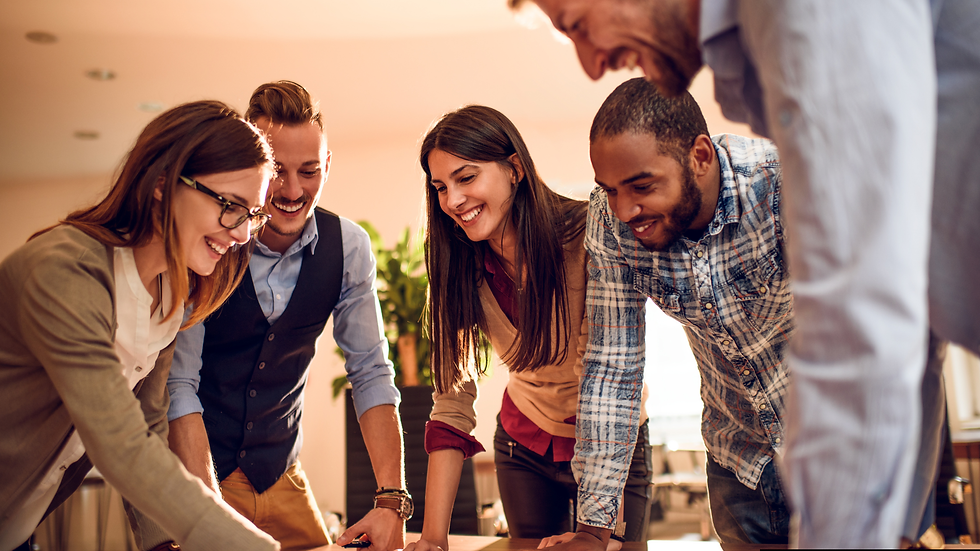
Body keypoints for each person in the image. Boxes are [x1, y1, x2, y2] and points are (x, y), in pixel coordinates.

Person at [510, 0, 978, 547]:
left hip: (840, 448)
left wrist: (885, 518)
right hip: (740, 467)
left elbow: (871, 321)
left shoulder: (779, 177)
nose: (590, 64)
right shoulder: (615, 225)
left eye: (575, 25)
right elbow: (613, 370)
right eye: (613, 191)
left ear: (701, 158)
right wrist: (593, 526)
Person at [0, 100, 280, 551]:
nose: (243, 234)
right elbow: (121, 445)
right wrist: (250, 546)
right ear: (164, 184)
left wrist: (162, 545)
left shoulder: (171, 296)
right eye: (232, 205)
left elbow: (149, 425)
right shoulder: (63, 273)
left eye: (253, 214)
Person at [164, 81, 406, 551]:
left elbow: (372, 372)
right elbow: (179, 386)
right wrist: (208, 516)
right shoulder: (210, 244)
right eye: (276, 170)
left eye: (310, 170)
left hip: (283, 475)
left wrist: (391, 501)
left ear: (328, 165)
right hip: (200, 474)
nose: (292, 190)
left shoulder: (349, 247)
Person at [404, 105, 652, 551]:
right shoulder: (456, 263)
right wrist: (433, 539)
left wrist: (599, 533)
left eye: (466, 178)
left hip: (612, 445)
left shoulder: (589, 236)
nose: (452, 201)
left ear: (514, 168)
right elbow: (451, 402)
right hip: (524, 446)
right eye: (440, 187)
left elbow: (603, 376)